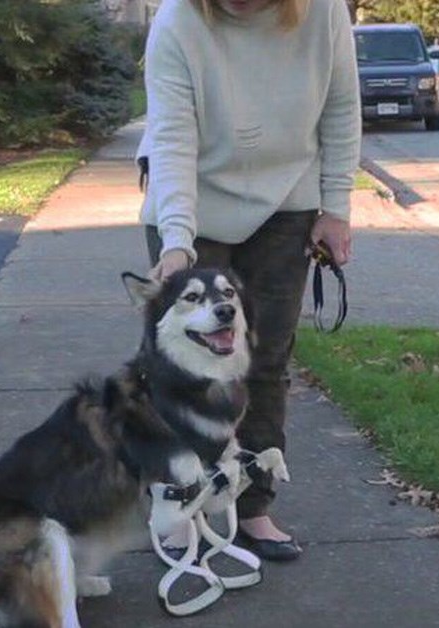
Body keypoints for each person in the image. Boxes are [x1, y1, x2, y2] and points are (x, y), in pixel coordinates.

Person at [136, 0, 361, 561]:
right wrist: (177, 243)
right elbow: (170, 138)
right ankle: (181, 506)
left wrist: (335, 208)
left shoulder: (323, 13)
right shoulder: (178, 21)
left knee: (263, 362)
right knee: (183, 368)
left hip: (288, 200)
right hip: (191, 199)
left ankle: (253, 505)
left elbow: (341, 107)